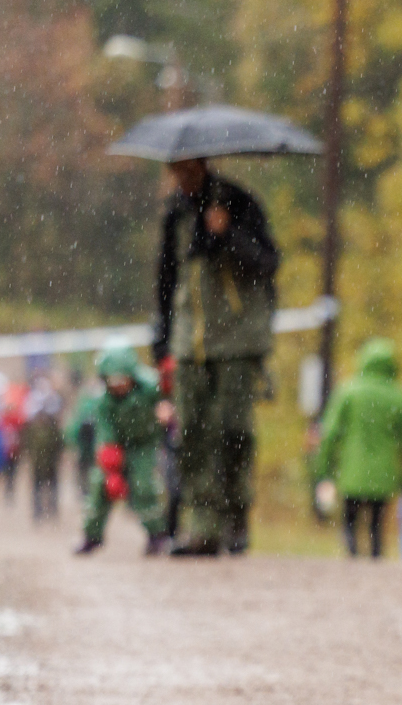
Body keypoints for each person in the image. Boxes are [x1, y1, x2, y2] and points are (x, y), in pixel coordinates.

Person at [152, 156, 280, 556]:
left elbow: (267, 263)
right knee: (191, 432)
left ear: (202, 163)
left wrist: (228, 235)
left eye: (186, 168)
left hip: (237, 340)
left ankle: (236, 515)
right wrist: (162, 340)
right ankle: (203, 526)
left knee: (232, 430)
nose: (181, 175)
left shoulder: (240, 202)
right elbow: (166, 279)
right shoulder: (175, 213)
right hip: (188, 341)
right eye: (175, 169)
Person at [316, 338, 402, 559]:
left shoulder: (348, 392)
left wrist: (324, 470)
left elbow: (329, 435)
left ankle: (352, 557)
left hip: (352, 473)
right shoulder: (401, 398)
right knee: (376, 527)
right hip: (384, 475)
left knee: (350, 522)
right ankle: (375, 561)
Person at [75, 344, 171, 556]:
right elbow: (105, 433)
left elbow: (169, 395)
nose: (118, 386)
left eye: (122, 379)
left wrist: (166, 406)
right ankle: (91, 536)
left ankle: (157, 535)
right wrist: (111, 469)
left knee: (144, 486)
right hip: (118, 446)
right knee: (99, 485)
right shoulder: (103, 402)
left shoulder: (150, 387)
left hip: (145, 445)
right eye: (113, 381)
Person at [22, 376, 65, 521]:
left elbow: (59, 444)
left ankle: (51, 509)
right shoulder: (34, 427)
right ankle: (39, 511)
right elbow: (28, 444)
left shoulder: (52, 427)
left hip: (49, 460)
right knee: (39, 486)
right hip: (39, 461)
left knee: (50, 485)